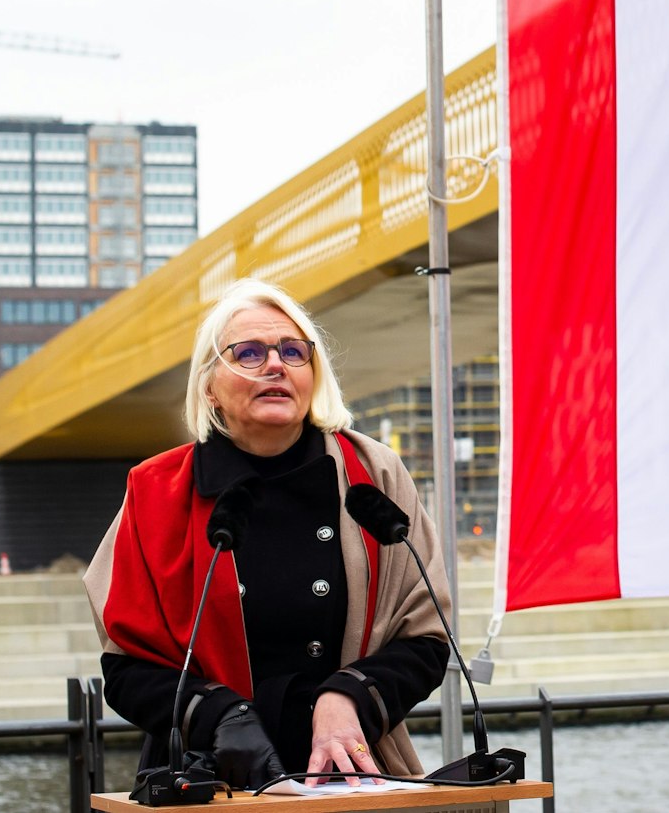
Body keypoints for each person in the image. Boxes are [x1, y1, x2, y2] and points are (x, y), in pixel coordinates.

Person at [84, 278, 449, 789]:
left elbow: (426, 638)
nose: (276, 365)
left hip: (349, 776)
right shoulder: (155, 489)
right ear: (209, 383)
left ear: (312, 374)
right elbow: (126, 668)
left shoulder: (374, 472)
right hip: (208, 776)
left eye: (293, 352)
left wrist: (348, 698)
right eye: (249, 352)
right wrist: (219, 718)